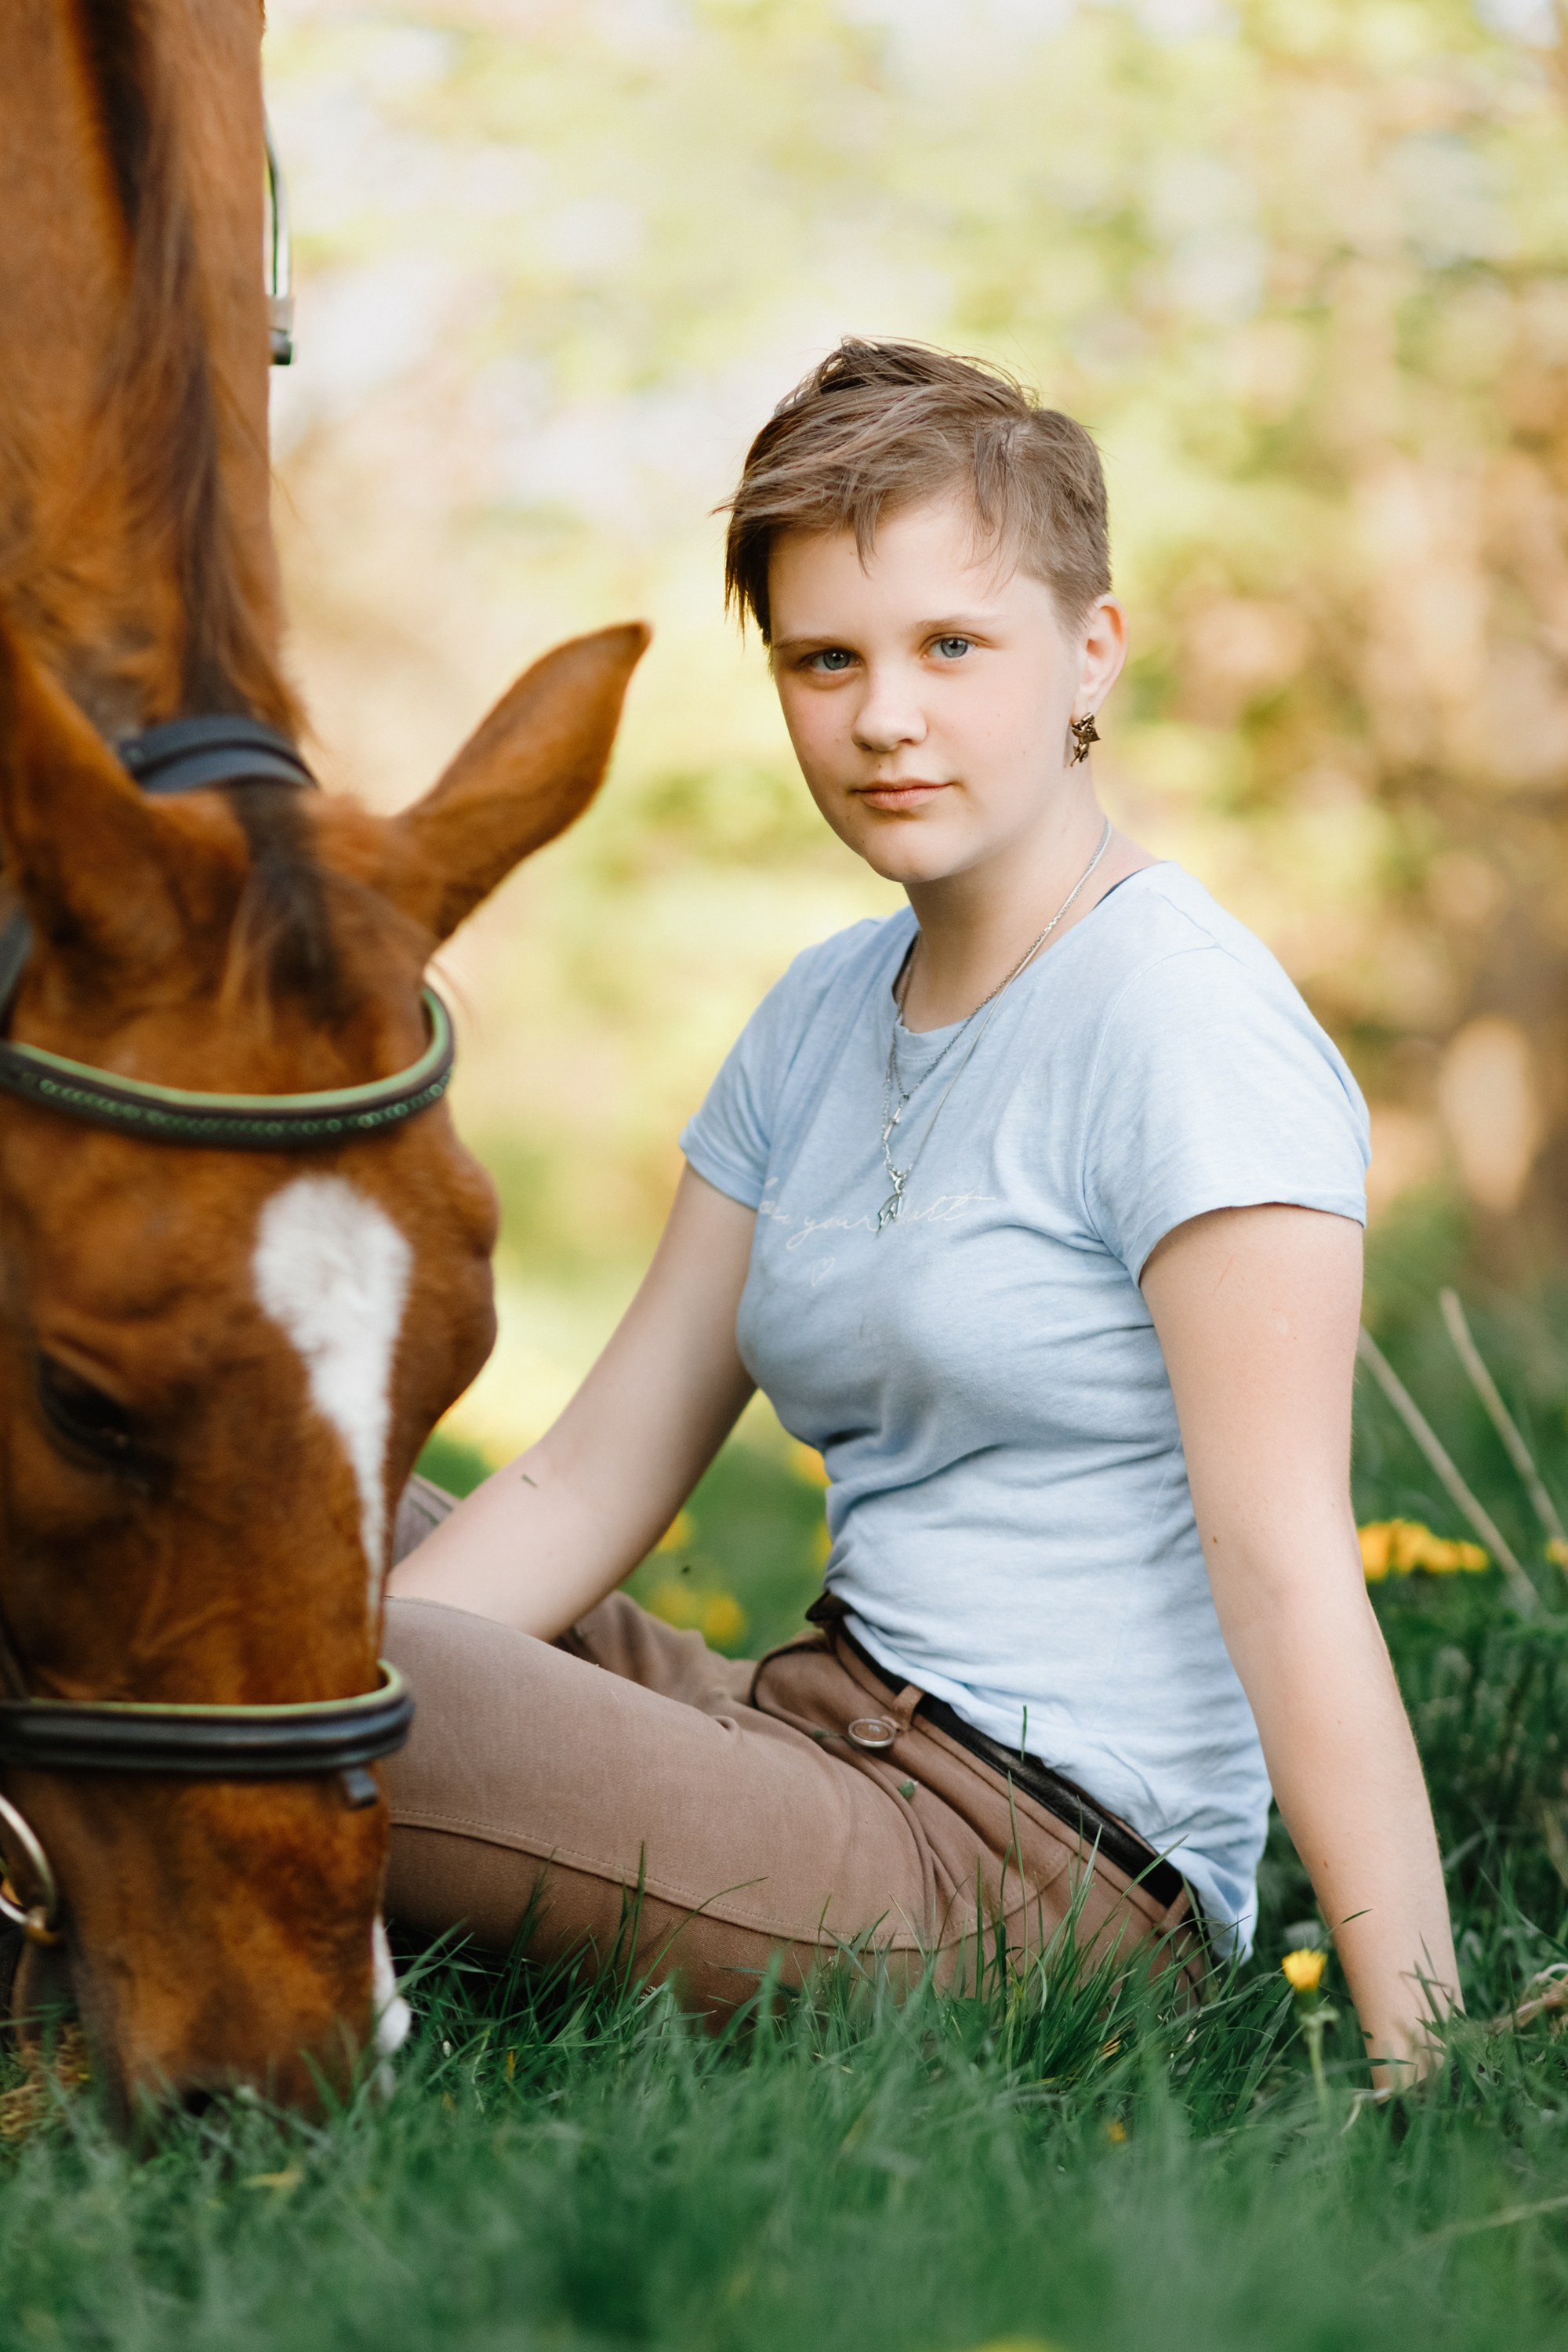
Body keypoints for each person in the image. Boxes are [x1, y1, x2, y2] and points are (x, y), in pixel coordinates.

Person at [385, 339, 1459, 2087]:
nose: (884, 716)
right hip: (811, 1728)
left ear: (1089, 650)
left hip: (1037, 1873)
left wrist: (1424, 2046)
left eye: (952, 646)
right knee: (238, 1524)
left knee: (285, 1669)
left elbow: (1285, 1562)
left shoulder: (1183, 1025)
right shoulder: (819, 1009)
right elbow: (586, 1479)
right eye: (827, 659)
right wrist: (328, 1647)